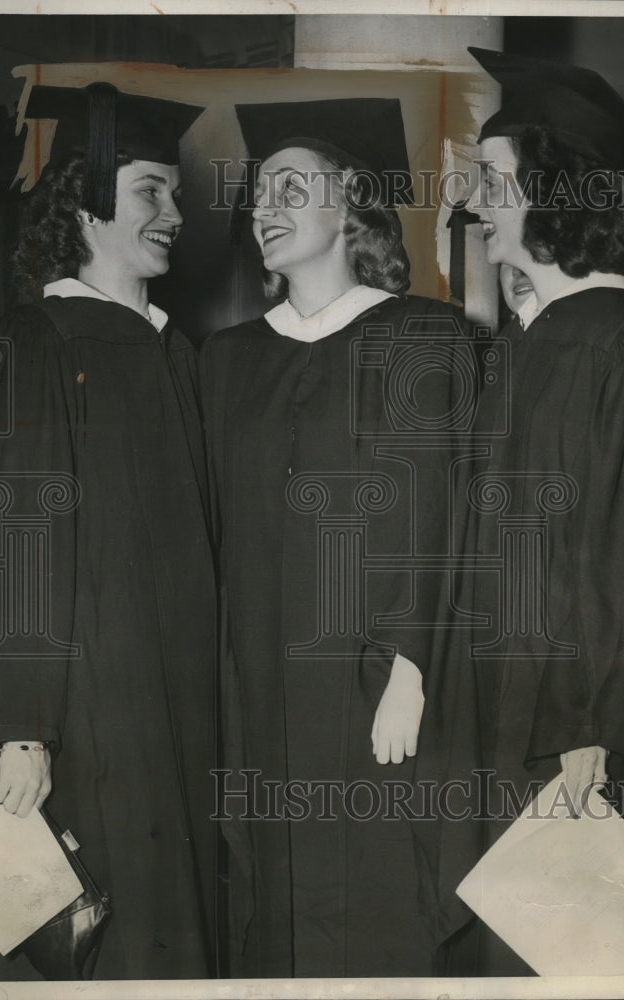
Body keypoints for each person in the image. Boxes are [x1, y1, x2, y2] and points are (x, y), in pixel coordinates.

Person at [200, 98, 480, 978]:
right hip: (256, 694)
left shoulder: (421, 338)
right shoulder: (227, 359)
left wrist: (412, 664)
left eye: (291, 186)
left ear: (352, 198)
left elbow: (437, 514)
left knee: (378, 906)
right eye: (256, 195)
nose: (265, 208)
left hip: (378, 689)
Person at [0, 82, 218, 980]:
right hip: (84, 703)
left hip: (171, 699)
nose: (174, 213)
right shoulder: (42, 339)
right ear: (88, 201)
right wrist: (21, 723)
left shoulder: (173, 351)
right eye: (151, 191)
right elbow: (17, 524)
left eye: (174, 194)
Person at [445, 48, 624, 974]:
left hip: (577, 730)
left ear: (557, 188)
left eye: (495, 181)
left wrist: (593, 726)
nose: (475, 205)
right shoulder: (527, 345)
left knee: (573, 957)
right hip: (507, 707)